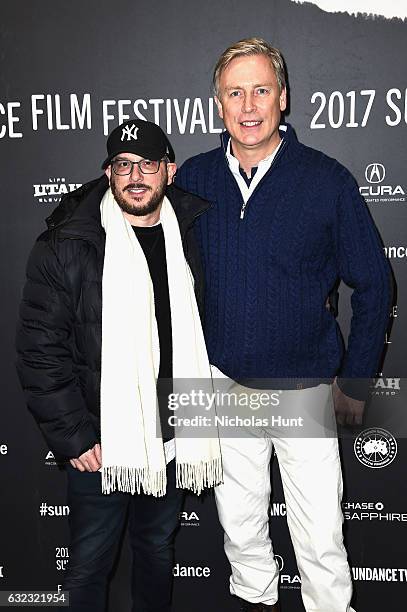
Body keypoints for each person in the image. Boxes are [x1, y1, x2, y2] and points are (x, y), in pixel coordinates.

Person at [175, 38, 391, 612]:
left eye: (261, 90)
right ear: (217, 104)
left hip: (306, 391)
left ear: (284, 98)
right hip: (223, 388)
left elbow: (375, 284)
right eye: (235, 92)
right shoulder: (191, 178)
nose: (249, 106)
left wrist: (357, 381)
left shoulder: (327, 180)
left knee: (320, 537)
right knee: (240, 529)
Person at [16, 119, 222, 612]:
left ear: (168, 172)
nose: (135, 176)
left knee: (156, 550)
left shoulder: (192, 235)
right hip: (101, 440)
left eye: (146, 164)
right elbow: (40, 349)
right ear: (107, 173)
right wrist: (75, 436)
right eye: (123, 164)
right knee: (90, 563)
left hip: (172, 432)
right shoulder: (68, 242)